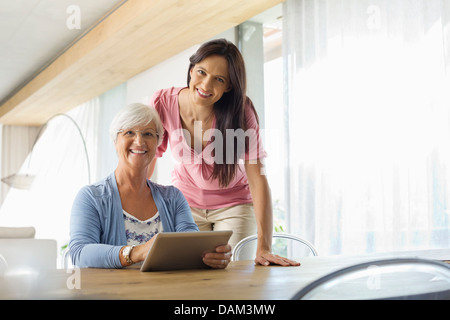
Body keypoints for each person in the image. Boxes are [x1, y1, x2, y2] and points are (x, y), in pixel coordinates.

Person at [149, 39, 299, 267]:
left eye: (219, 79)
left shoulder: (242, 112)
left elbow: (257, 177)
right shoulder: (162, 103)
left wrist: (264, 246)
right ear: (191, 71)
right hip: (184, 204)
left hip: (234, 205)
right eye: (201, 72)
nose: (206, 85)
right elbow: (150, 158)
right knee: (187, 273)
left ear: (229, 86)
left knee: (232, 274)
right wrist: (142, 217)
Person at [69, 103, 232, 269]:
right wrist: (136, 252)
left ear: (157, 143)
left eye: (148, 134)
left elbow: (190, 245)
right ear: (115, 141)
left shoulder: (173, 198)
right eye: (129, 132)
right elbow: (79, 252)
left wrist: (210, 256)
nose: (139, 141)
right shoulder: (91, 197)